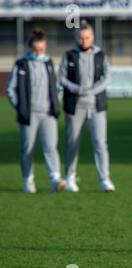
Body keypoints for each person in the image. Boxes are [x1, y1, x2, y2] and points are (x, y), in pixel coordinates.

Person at [59, 20, 115, 193]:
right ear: (77, 38)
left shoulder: (101, 55)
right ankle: (70, 177)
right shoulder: (68, 55)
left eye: (87, 38)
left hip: (97, 106)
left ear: (93, 37)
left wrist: (93, 90)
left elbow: (107, 77)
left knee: (100, 143)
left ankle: (105, 179)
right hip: (75, 106)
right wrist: (75, 88)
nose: (84, 41)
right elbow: (61, 77)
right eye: (81, 38)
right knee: (72, 143)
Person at [7, 28, 66, 193]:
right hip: (29, 115)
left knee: (51, 146)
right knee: (27, 149)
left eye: (42, 49)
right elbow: (11, 89)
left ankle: (55, 178)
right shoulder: (21, 64)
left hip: (48, 114)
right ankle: (28, 179)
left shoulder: (48, 63)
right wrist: (20, 107)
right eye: (36, 49)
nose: (39, 52)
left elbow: (57, 87)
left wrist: (56, 102)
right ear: (30, 47)